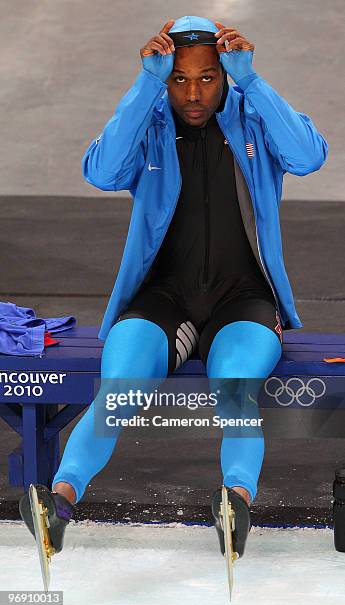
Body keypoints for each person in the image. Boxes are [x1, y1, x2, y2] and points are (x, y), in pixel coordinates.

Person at [19, 15, 328, 559]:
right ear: (164, 80)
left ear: (226, 74)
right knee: (120, 389)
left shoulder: (254, 118)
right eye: (179, 80)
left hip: (244, 299)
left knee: (236, 389)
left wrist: (252, 81)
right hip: (162, 298)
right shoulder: (153, 120)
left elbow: (309, 156)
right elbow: (102, 171)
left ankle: (234, 502)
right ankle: (59, 501)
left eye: (208, 78)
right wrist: (143, 85)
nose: (193, 92)